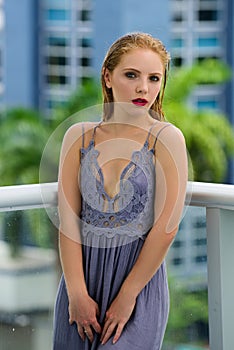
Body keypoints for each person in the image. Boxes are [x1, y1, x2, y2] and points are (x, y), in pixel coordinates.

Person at [53, 32, 188, 349]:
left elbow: (166, 229)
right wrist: (76, 293)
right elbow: (69, 220)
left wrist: (128, 298)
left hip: (138, 286)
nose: (144, 88)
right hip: (81, 282)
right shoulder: (78, 136)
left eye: (154, 78)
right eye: (132, 75)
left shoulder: (166, 139)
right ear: (108, 76)